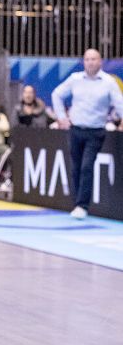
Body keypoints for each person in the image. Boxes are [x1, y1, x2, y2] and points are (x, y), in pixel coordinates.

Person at [51, 48, 123, 219]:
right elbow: (57, 94)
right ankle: (77, 202)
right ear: (84, 62)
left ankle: (82, 205)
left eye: (94, 59)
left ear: (100, 61)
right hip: (76, 130)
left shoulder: (108, 82)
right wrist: (62, 117)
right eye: (87, 59)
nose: (90, 62)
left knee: (86, 166)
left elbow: (119, 103)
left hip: (96, 131)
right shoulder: (75, 79)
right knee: (76, 168)